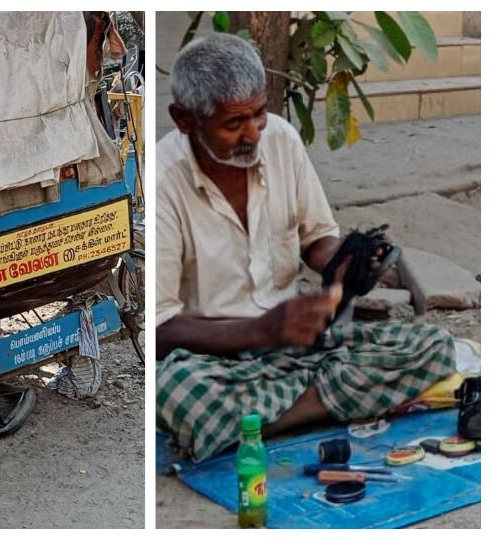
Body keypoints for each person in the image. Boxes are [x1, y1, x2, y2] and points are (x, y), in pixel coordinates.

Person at [155, 34, 456, 463]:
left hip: (301, 348)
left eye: (259, 114)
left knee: (435, 345)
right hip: (218, 360)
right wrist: (261, 330)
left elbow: (317, 240)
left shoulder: (281, 140)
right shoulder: (166, 179)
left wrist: (346, 260)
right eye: (233, 123)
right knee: (176, 392)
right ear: (185, 120)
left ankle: (263, 422)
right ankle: (323, 402)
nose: (253, 134)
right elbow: (161, 328)